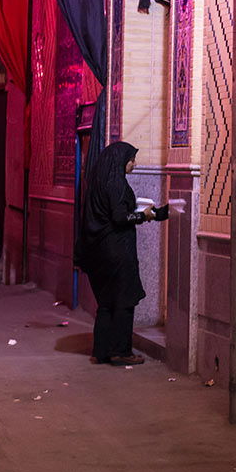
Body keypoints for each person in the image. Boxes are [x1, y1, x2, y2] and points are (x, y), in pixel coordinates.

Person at [77, 141, 168, 366]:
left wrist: (156, 214)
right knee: (124, 301)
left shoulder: (98, 182)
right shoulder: (116, 183)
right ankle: (121, 351)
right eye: (131, 160)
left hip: (98, 252)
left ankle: (101, 351)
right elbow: (119, 218)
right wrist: (142, 216)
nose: (134, 164)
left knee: (107, 303)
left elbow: (111, 213)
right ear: (120, 160)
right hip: (117, 252)